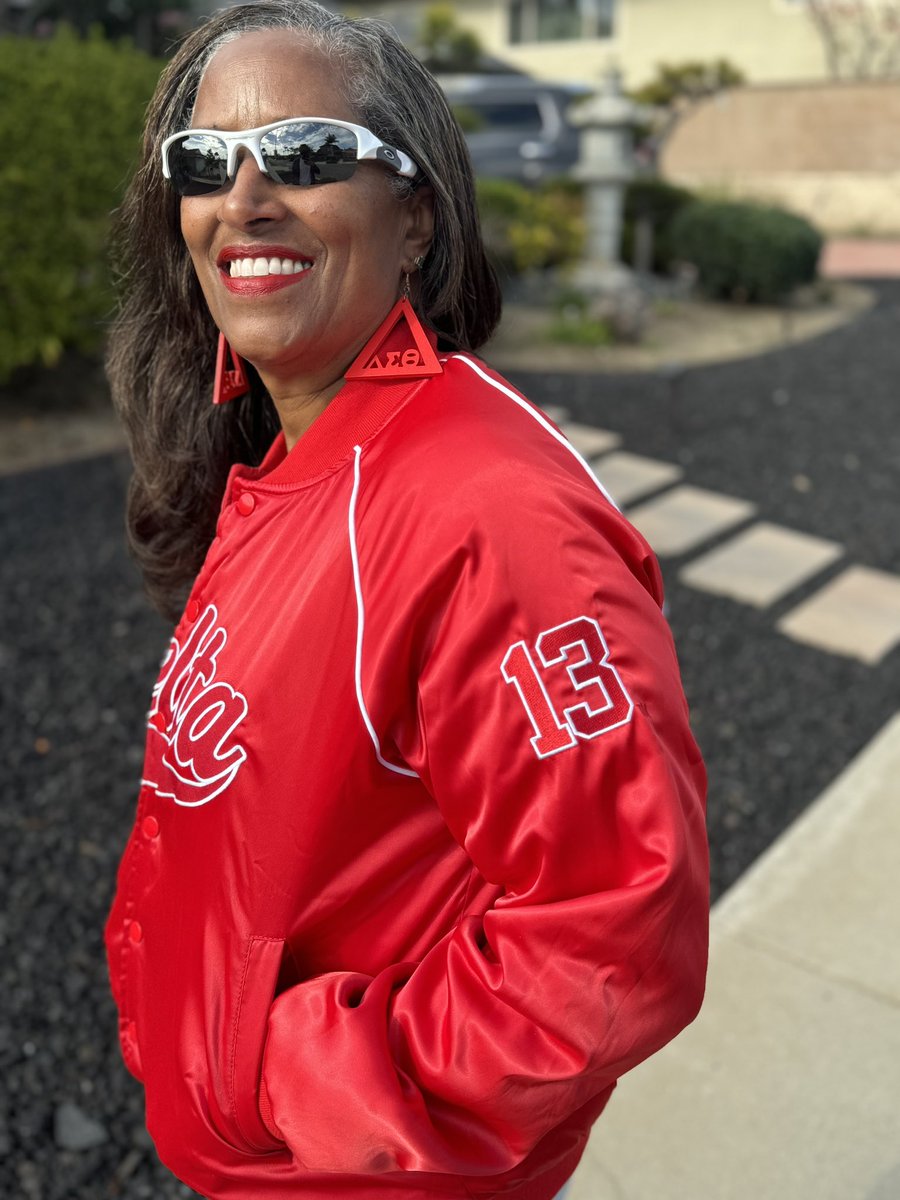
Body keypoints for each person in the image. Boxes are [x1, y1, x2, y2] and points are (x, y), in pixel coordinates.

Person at [104, 3, 709, 1198]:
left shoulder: (487, 511)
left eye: (308, 154)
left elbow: (618, 926)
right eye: (203, 162)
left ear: (417, 214)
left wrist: (300, 1077)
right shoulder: (288, 452)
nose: (245, 199)